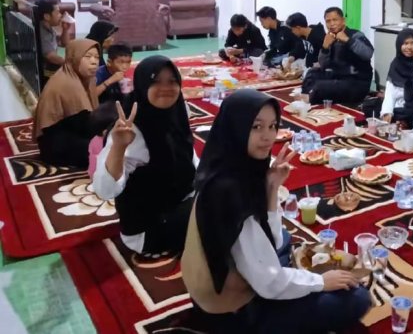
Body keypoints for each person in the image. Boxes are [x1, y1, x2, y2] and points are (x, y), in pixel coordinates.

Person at [181, 90, 371, 333]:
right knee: (357, 298)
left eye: (272, 126)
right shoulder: (230, 191)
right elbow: (268, 281)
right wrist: (321, 281)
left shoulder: (226, 167)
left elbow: (271, 240)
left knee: (285, 238)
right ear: (236, 128)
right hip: (235, 312)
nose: (267, 136)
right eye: (256, 127)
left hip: (222, 285)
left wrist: (271, 190)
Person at [93, 56, 197, 255]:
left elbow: (189, 160)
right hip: (149, 229)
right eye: (155, 81)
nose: (166, 88)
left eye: (172, 81)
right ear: (142, 85)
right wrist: (118, 147)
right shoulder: (131, 130)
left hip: (177, 205)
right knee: (224, 207)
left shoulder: (176, 112)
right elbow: (105, 191)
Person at [34, 39, 113, 168]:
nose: (94, 62)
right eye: (88, 57)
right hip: (55, 146)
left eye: (97, 57)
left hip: (72, 132)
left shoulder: (86, 78)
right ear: (73, 58)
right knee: (105, 149)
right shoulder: (68, 82)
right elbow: (82, 123)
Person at [306, 7, 374, 105]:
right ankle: (313, 100)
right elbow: (323, 64)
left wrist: (347, 40)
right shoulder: (330, 37)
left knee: (320, 87)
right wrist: (325, 47)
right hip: (337, 79)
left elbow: (368, 54)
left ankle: (312, 102)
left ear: (343, 21)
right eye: (328, 21)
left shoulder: (355, 35)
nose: (332, 24)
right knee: (311, 74)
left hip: (356, 81)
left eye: (335, 20)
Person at [37, 0, 73, 81]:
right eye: (58, 12)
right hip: (46, 73)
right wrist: (70, 64)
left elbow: (64, 44)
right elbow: (51, 57)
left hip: (53, 67)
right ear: (47, 16)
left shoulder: (49, 28)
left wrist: (65, 29)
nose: (60, 15)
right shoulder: (42, 32)